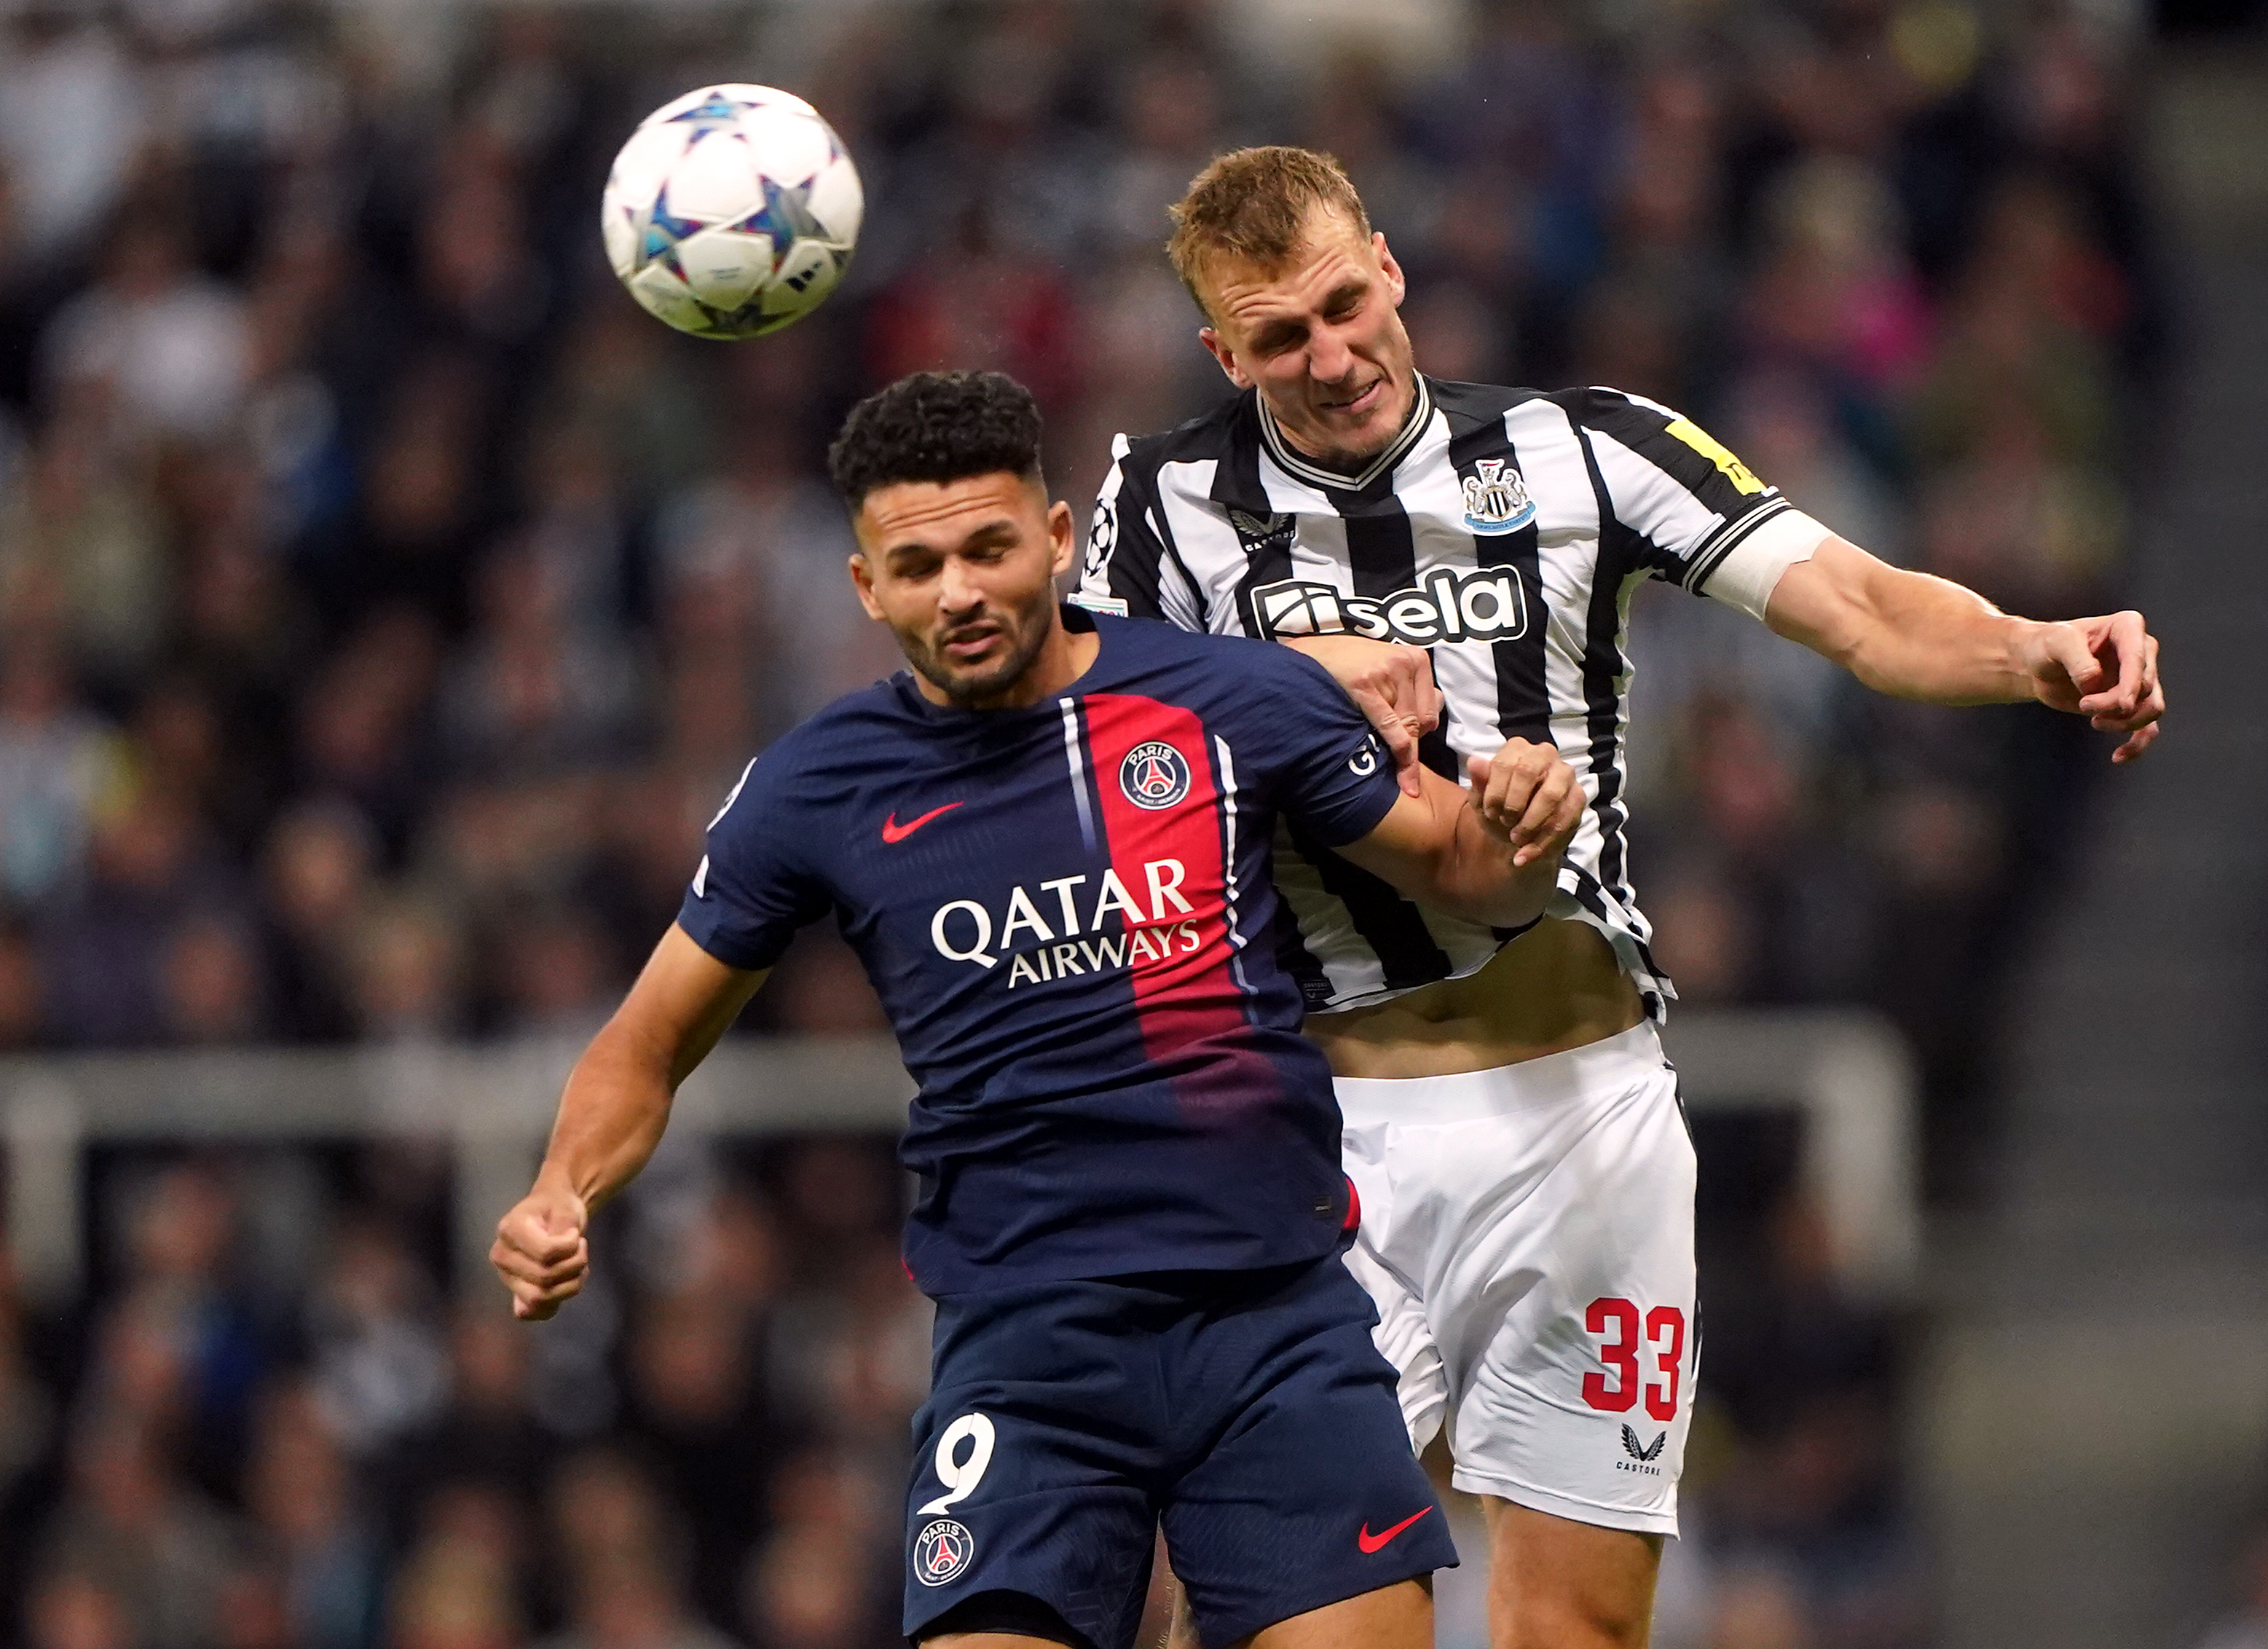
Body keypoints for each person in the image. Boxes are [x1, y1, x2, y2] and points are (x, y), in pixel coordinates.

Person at [1078, 147, 2168, 1649]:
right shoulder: (1161, 498)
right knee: (1274, 1623)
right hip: (1316, 1142)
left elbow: (1854, 600)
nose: (1331, 360)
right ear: (1223, 352)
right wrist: (1296, 676)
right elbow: (1068, 728)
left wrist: (2033, 648)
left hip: (1582, 1121)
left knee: (1578, 1633)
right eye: (1279, 338)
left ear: (1389, 268)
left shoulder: (1591, 447)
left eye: (1344, 305)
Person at [489, 369, 1596, 1649]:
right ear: (866, 587)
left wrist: (1522, 824)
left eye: (988, 548)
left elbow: (1457, 865)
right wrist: (562, 1187)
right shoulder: (815, 788)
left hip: (1276, 1319)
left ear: (1058, 539)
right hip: (1029, 1349)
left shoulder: (1228, 701)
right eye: (916, 566)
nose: (958, 592)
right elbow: (647, 1038)